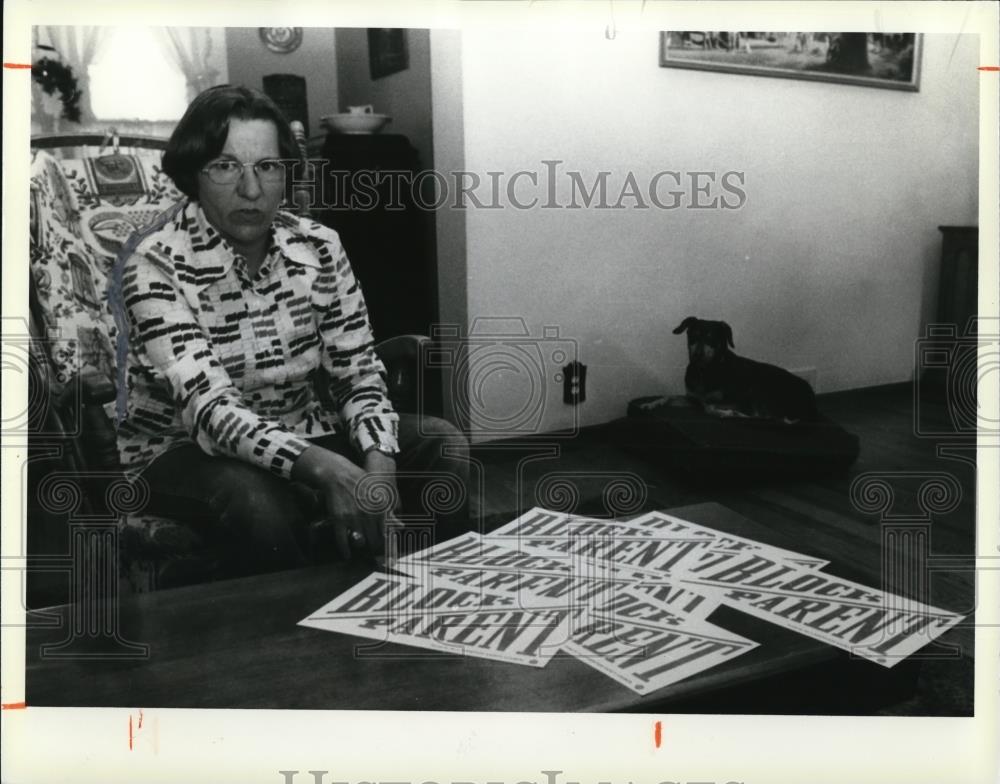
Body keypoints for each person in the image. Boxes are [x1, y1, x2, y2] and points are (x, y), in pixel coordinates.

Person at [112, 85, 468, 573]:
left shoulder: (320, 248)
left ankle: (431, 604)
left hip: (303, 427)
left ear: (287, 174)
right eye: (225, 166)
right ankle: (299, 641)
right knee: (259, 504)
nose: (252, 190)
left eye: (268, 166)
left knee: (440, 445)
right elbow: (211, 410)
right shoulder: (154, 265)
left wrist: (378, 459)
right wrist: (324, 469)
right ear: (194, 175)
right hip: (180, 451)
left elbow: (357, 371)